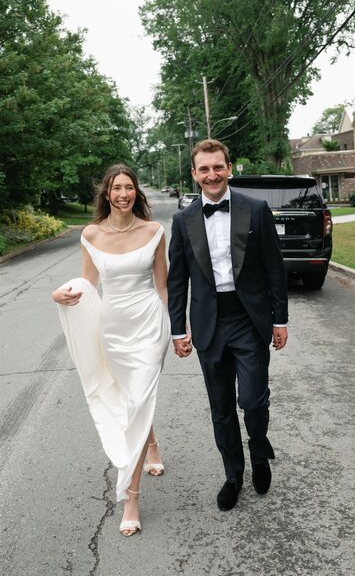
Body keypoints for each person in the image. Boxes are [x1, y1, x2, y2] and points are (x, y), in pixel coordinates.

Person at [167, 139, 288, 511]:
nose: (212, 174)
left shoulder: (255, 209)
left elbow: (274, 268)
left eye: (217, 167)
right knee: (220, 408)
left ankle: (259, 453)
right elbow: (178, 279)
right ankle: (233, 475)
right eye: (204, 169)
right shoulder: (183, 219)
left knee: (252, 400)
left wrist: (279, 319)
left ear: (229, 168)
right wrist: (178, 329)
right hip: (209, 324)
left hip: (249, 321)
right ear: (194, 174)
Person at [52, 164, 170, 536]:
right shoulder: (91, 234)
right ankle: (150, 442)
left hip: (149, 325)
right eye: (117, 188)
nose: (123, 194)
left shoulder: (154, 231)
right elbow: (88, 283)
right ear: (107, 193)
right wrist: (61, 295)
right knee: (131, 398)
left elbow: (163, 285)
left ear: (137, 193)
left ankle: (131, 498)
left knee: (139, 397)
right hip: (113, 328)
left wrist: (175, 328)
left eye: (129, 187)